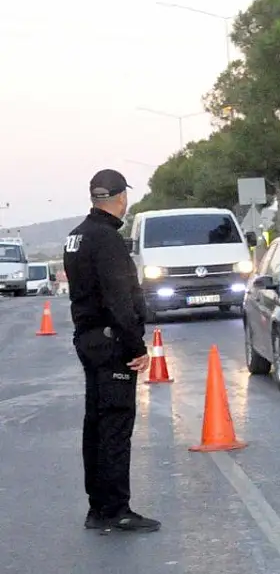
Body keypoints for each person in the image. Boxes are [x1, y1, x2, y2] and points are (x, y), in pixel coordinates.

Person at [64, 169, 161, 533]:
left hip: (87, 339)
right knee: (116, 426)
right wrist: (137, 346)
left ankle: (98, 508)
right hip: (112, 342)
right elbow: (119, 299)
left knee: (96, 425)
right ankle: (117, 508)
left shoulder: (76, 238)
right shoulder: (107, 239)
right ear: (121, 198)